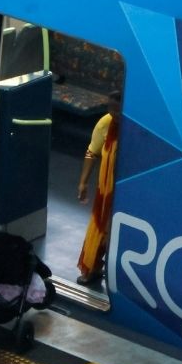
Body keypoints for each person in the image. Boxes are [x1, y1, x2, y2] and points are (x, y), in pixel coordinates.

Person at [75, 90, 121, 287]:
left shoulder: (135, 128)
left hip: (125, 188)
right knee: (100, 227)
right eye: (111, 109)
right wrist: (83, 182)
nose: (114, 114)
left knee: (114, 231)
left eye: (118, 110)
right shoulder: (105, 123)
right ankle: (93, 268)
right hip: (106, 189)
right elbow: (92, 152)